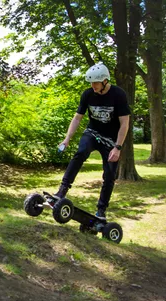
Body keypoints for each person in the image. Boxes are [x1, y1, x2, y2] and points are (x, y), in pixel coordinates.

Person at [54, 62, 130, 221]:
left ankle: (101, 210)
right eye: (91, 83)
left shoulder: (119, 95)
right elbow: (77, 118)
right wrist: (67, 138)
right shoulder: (87, 94)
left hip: (111, 140)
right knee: (80, 153)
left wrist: (118, 147)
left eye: (95, 83)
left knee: (109, 175)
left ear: (105, 81)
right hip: (92, 133)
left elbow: (124, 123)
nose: (92, 86)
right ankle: (61, 191)